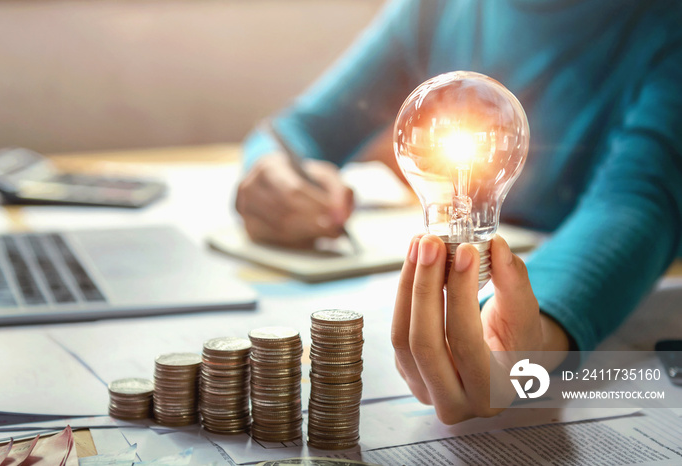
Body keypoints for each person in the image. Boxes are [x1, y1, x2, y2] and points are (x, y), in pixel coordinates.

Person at [236, 0, 682, 423]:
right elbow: (299, 129)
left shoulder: (664, 26)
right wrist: (271, 170)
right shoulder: (437, 8)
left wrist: (531, 327)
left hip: (559, 277)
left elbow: (640, 200)